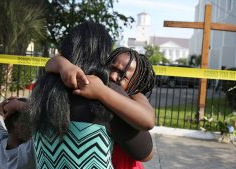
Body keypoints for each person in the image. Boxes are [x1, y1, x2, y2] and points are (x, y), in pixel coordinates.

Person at [23, 22, 153, 169]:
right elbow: (145, 153)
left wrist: (60, 63)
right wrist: (136, 94)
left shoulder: (43, 87)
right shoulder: (104, 94)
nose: (114, 76)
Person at [46, 47, 156, 168]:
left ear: (135, 84)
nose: (113, 76)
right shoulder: (95, 81)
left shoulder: (135, 95)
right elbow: (51, 63)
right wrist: (65, 66)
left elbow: (148, 120)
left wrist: (101, 91)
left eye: (123, 76)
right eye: (112, 68)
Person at [0, 97, 35, 169]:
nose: (34, 125)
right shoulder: (30, 150)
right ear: (17, 123)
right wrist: (18, 105)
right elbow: (49, 119)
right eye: (30, 121)